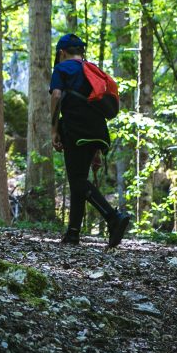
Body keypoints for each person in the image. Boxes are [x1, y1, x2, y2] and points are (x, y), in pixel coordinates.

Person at [49, 34, 132, 247]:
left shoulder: (62, 69)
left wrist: (54, 129)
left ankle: (113, 217)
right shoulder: (91, 70)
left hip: (76, 130)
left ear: (62, 53)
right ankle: (73, 233)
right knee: (80, 180)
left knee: (77, 181)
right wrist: (95, 151)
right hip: (97, 130)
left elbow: (57, 96)